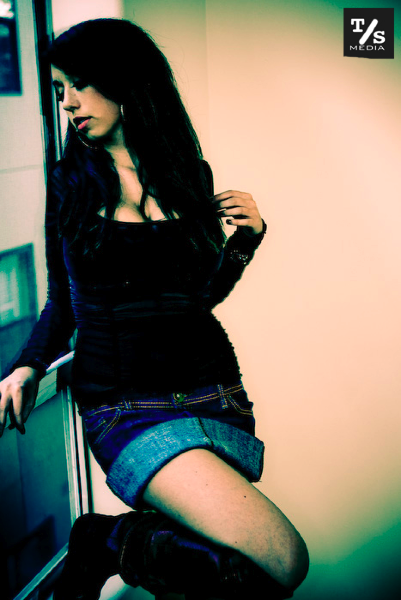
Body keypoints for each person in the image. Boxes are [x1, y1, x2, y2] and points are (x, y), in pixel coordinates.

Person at [0, 18, 309, 600]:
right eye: (59, 89)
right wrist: (26, 366)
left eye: (78, 84)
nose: (67, 103)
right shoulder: (70, 183)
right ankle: (104, 541)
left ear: (124, 80)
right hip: (124, 404)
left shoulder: (189, 174)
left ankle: (108, 541)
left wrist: (246, 242)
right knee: (282, 562)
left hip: (214, 394)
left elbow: (198, 298)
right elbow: (62, 302)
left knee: (239, 574)